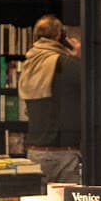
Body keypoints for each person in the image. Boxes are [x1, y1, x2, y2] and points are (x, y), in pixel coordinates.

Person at [18, 14, 82, 183]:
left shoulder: (28, 65)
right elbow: (92, 85)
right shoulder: (66, 63)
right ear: (59, 36)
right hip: (64, 152)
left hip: (35, 151)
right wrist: (78, 56)